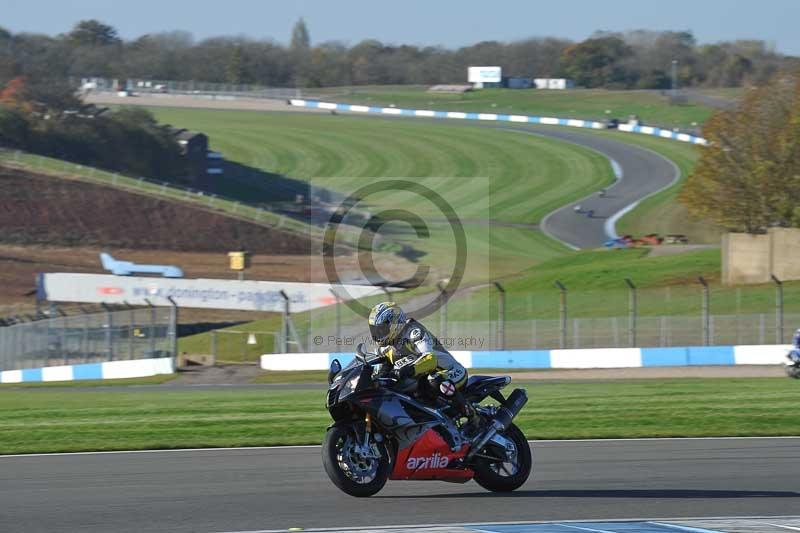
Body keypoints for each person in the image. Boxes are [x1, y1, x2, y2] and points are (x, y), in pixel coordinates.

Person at [368, 302, 472, 421]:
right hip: (423, 381)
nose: (379, 334)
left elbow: (430, 359)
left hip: (451, 372)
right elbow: (380, 372)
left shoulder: (413, 332)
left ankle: (472, 415)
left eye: (382, 329)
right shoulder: (385, 348)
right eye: (375, 330)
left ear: (395, 323)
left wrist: (410, 369)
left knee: (433, 379)